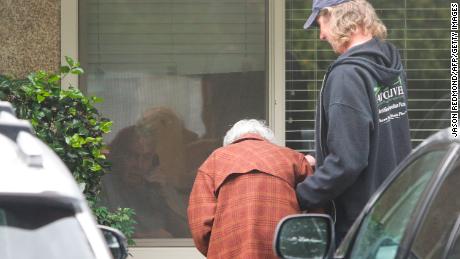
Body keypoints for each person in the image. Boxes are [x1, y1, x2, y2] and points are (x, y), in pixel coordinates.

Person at [296, 0, 412, 244]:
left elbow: (348, 162)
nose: (321, 36)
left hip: (362, 229)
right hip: (396, 213)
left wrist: (302, 195)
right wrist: (321, 159)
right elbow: (376, 138)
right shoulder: (389, 62)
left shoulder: (347, 76)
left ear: (333, 16)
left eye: (320, 24)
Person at [187, 119, 314, 259]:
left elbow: (200, 225)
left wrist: (217, 250)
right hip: (284, 249)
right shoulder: (293, 158)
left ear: (231, 142)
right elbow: (315, 215)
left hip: (230, 251)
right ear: (267, 140)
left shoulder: (214, 160)